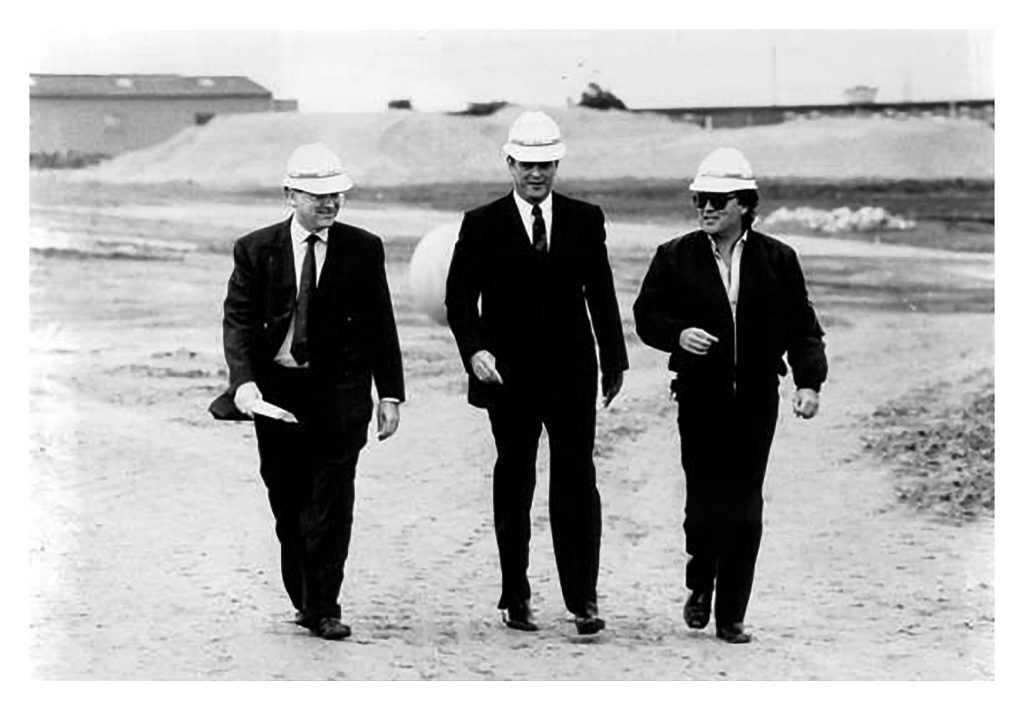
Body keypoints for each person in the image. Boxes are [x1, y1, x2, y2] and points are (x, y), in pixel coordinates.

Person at [209, 142, 405, 641]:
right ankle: (305, 597)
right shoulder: (255, 249)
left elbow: (382, 324)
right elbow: (237, 323)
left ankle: (324, 607)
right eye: (318, 196)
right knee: (288, 502)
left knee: (332, 504)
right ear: (290, 194)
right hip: (276, 397)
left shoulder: (363, 248)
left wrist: (390, 394)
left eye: (337, 195)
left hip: (339, 394)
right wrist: (244, 382)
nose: (331, 204)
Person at [632, 147, 827, 644]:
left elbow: (803, 328)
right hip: (699, 398)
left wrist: (808, 382)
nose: (706, 208)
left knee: (745, 507)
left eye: (718, 200)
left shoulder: (778, 260)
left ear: (745, 203)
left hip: (757, 399)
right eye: (700, 199)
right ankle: (701, 581)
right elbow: (647, 315)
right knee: (703, 503)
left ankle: (731, 614)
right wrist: (678, 336)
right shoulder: (673, 256)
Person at [445, 111, 629, 636]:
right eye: (526, 164)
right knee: (516, 477)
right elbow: (459, 300)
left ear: (557, 163)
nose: (536, 174)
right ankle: (515, 595)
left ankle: (583, 599)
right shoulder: (480, 224)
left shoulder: (585, 218)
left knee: (577, 480)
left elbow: (601, 291)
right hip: (508, 375)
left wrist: (614, 358)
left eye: (546, 164)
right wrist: (474, 352)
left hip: (572, 371)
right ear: (509, 163)